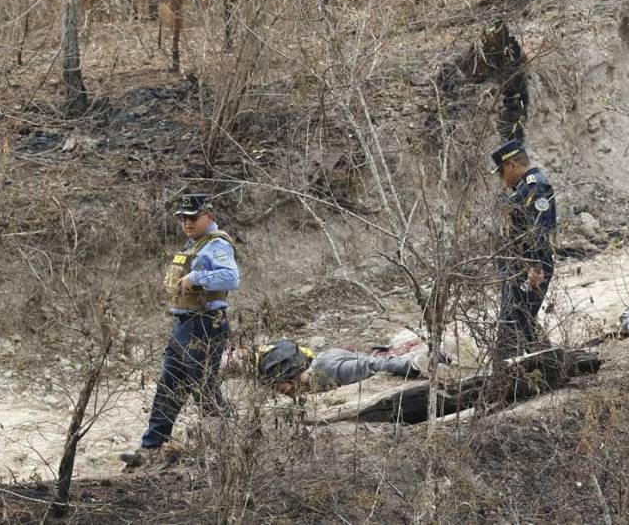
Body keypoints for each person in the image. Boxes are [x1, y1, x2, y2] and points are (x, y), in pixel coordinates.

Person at [120, 194, 240, 468]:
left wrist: (197, 278)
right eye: (184, 218)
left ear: (209, 216)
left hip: (205, 324)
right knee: (169, 385)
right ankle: (150, 449)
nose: (187, 222)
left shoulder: (217, 244)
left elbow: (232, 277)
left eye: (193, 217)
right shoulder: (195, 243)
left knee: (204, 388)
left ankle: (227, 449)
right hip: (185, 324)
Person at [491, 138, 557, 359]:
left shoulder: (535, 187)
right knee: (519, 321)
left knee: (516, 321)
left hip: (531, 267)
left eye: (502, 172)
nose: (502, 179)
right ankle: (544, 363)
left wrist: (535, 267)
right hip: (521, 266)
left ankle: (544, 365)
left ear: (511, 165)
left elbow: (538, 229)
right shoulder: (523, 188)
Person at [252, 340, 448, 396]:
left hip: (322, 370)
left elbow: (290, 385)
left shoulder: (264, 366)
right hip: (327, 355)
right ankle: (435, 354)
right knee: (372, 361)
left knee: (371, 366)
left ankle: (413, 365)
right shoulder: (273, 349)